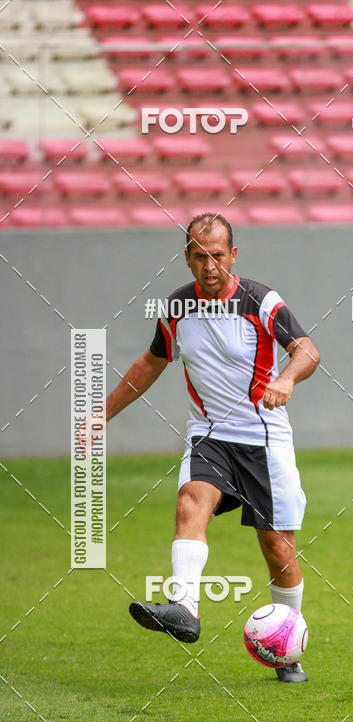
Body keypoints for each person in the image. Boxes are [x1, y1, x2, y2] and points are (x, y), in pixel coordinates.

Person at [82, 213, 319, 683]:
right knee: (191, 499)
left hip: (264, 438)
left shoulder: (260, 301)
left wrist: (287, 379)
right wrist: (102, 414)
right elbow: (151, 363)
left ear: (234, 255)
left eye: (218, 255)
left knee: (278, 548)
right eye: (199, 256)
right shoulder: (176, 308)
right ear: (187, 258)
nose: (210, 266)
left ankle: (287, 651)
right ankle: (185, 608)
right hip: (209, 434)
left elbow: (307, 349)